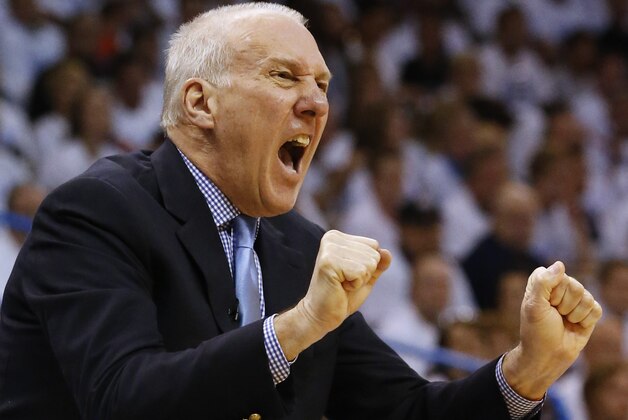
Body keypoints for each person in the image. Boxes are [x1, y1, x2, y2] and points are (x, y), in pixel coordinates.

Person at [0, 3, 603, 419]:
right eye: (285, 76)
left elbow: (405, 412)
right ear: (200, 102)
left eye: (323, 84)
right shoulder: (97, 211)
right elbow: (121, 401)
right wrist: (296, 328)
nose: (317, 104)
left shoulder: (298, 249)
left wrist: (527, 370)